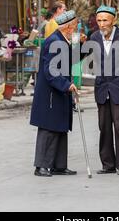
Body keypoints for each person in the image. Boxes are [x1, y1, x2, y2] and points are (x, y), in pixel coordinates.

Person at [30, 10, 81, 177]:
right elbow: (51, 71)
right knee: (48, 129)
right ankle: (42, 166)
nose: (76, 30)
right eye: (74, 27)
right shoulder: (54, 42)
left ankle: (59, 165)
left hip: (60, 91)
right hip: (51, 93)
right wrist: (66, 85)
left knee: (61, 127)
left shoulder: (63, 40)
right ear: (67, 28)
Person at [90, 5, 119, 175]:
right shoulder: (94, 37)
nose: (102, 24)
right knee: (104, 127)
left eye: (105, 20)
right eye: (99, 20)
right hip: (102, 89)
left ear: (114, 20)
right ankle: (108, 164)